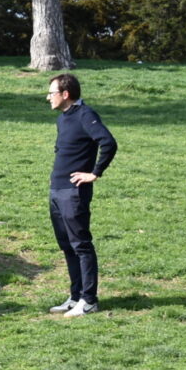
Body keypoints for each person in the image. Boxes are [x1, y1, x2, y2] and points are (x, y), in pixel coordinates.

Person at [45, 72, 118, 317]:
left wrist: (94, 173)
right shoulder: (63, 119)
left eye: (51, 93)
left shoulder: (86, 115)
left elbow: (108, 142)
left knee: (81, 245)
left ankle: (89, 300)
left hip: (73, 193)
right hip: (57, 190)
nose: (48, 98)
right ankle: (75, 296)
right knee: (66, 245)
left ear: (66, 94)